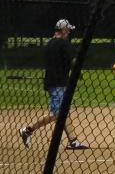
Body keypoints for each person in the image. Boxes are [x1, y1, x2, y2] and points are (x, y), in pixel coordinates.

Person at [17, 19, 88, 150]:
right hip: (59, 83)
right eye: (68, 30)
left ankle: (73, 141)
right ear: (64, 30)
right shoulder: (64, 44)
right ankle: (28, 130)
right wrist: (78, 73)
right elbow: (74, 61)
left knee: (61, 113)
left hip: (52, 82)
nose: (69, 33)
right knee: (59, 113)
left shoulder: (49, 44)